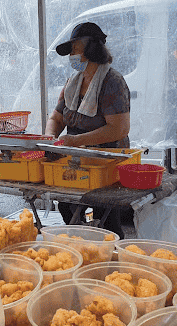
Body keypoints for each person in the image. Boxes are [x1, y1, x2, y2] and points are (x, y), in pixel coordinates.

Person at [45, 22, 131, 239]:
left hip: (106, 163)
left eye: (75, 48)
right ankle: (84, 246)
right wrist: (50, 138)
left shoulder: (113, 82)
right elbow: (56, 117)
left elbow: (119, 129)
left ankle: (113, 259)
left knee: (107, 219)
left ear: (92, 48)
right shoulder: (73, 83)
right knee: (66, 207)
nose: (71, 54)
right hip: (75, 161)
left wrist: (76, 140)